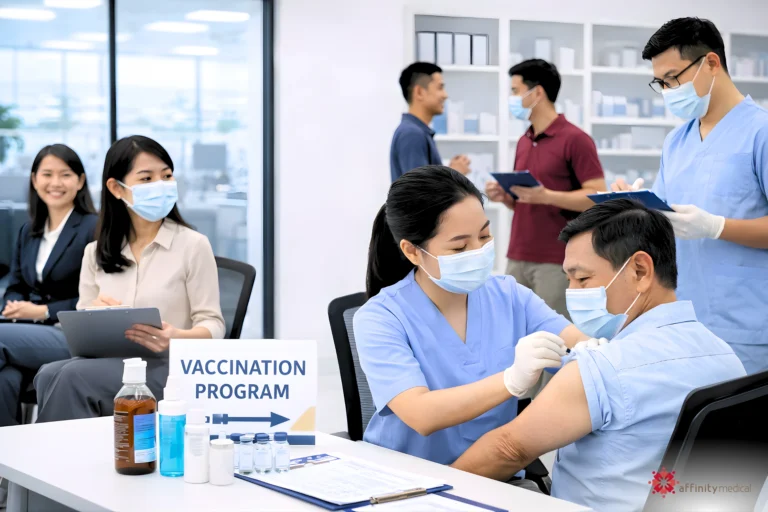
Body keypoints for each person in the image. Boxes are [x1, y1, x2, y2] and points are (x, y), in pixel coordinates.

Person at [451, 199, 746, 512]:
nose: (573, 292)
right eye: (569, 280)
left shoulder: (602, 370)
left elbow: (509, 449)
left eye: (583, 279)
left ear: (640, 270)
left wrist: (428, 491)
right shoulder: (728, 358)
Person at [354, 166, 589, 490]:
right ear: (412, 251)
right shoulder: (380, 317)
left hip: (494, 478)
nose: (478, 251)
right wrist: (511, 380)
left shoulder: (508, 295)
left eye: (484, 235)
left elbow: (575, 341)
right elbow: (422, 414)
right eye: (459, 247)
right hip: (404, 487)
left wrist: (597, 346)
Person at [611, 18, 768, 374]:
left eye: (673, 78)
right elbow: (667, 224)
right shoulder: (676, 141)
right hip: (685, 321)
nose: (668, 90)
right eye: (661, 83)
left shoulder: (760, 132)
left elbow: (707, 226)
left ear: (711, 63)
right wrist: (637, 206)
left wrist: (716, 227)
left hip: (747, 326)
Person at [34, 135, 225, 422]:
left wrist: (176, 337)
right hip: (112, 362)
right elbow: (81, 320)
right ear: (116, 188)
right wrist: (92, 313)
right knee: (47, 374)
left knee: (73, 376)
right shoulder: (96, 252)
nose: (160, 185)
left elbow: (214, 324)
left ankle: (54, 462)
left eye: (167, 176)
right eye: (146, 178)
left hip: (169, 368)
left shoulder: (193, 245)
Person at [486, 59, 605, 318]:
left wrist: (547, 196)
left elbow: (596, 195)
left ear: (537, 92)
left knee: (554, 338)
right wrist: (506, 198)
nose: (511, 98)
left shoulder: (576, 140)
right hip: (517, 255)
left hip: (556, 259)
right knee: (513, 331)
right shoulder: (523, 141)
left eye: (515, 91)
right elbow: (525, 201)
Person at [0, 144, 97, 426]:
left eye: (65, 175)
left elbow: (96, 297)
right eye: (47, 174)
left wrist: (42, 311)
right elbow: (16, 284)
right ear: (34, 180)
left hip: (71, 333)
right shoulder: (28, 230)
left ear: (79, 181)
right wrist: (14, 305)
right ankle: (9, 463)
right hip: (29, 334)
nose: (55, 183)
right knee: (5, 378)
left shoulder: (94, 227)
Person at [390, 62, 471, 181]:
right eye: (440, 87)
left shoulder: (417, 132)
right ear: (419, 92)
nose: (445, 95)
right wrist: (454, 174)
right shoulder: (412, 134)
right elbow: (420, 193)